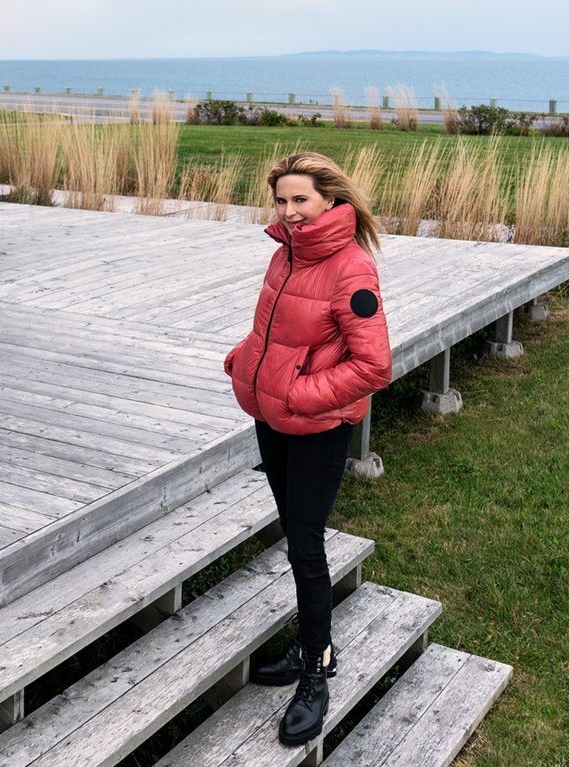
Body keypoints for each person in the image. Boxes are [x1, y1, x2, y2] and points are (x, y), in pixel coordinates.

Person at [223, 152, 393, 746]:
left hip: (318, 429)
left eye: (301, 200)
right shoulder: (284, 253)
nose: (290, 211)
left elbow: (373, 365)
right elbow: (272, 330)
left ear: (329, 200)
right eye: (282, 201)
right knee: (295, 539)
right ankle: (308, 644)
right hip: (271, 420)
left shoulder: (351, 269)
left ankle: (316, 667)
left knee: (306, 545)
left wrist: (298, 393)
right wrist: (245, 364)